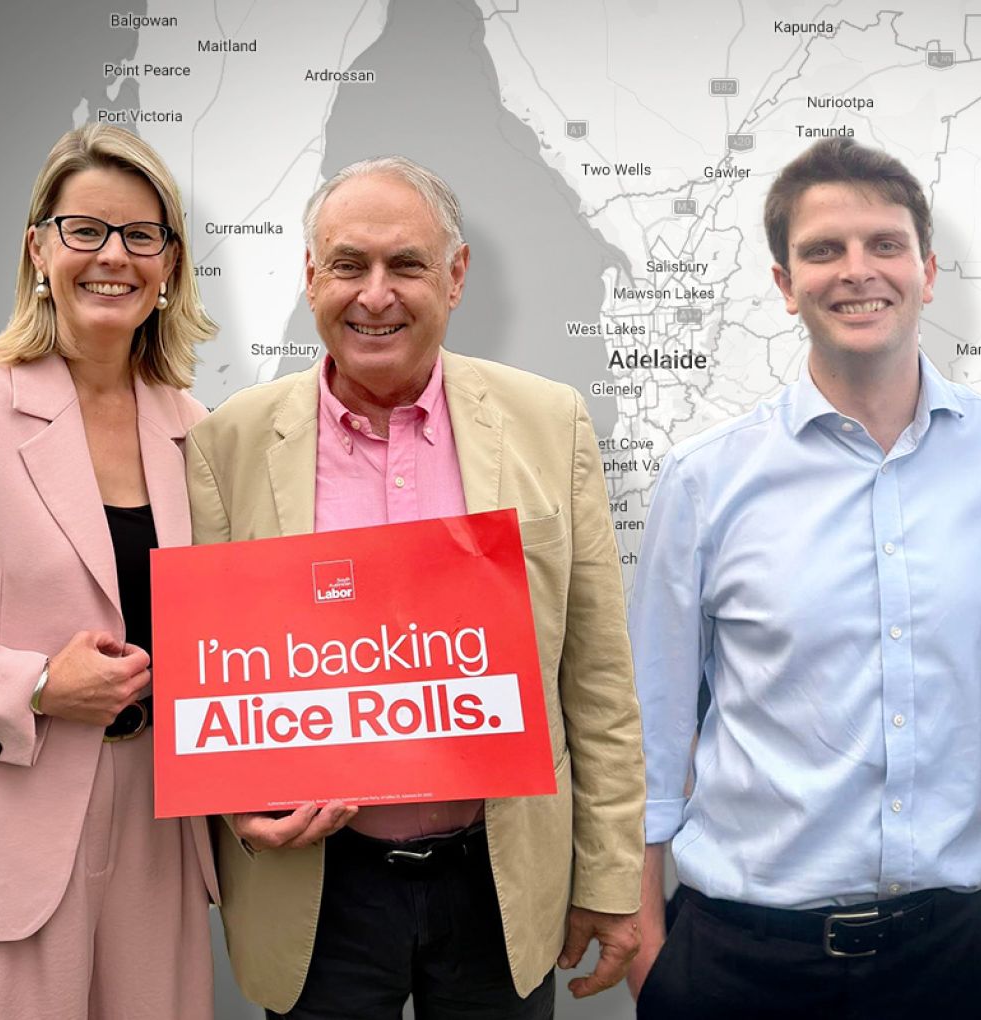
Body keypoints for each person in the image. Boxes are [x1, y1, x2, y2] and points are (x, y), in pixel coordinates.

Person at [624, 137, 981, 1020]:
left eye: (884, 245)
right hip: (741, 961)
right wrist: (648, 935)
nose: (857, 271)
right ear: (784, 284)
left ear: (928, 269)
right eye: (823, 250)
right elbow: (655, 719)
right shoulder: (705, 479)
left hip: (942, 956)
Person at [185, 155, 645, 1019]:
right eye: (349, 265)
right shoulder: (229, 444)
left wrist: (614, 878)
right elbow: (214, 675)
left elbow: (599, 684)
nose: (375, 294)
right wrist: (239, 797)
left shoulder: (551, 423)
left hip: (500, 883)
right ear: (310, 277)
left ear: (457, 276)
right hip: (319, 891)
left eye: (407, 265)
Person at [0, 124, 219, 1018]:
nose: (114, 257)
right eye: (84, 230)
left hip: (157, 833)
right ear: (38, 248)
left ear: (170, 263)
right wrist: (34, 684)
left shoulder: (199, 429)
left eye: (142, 235)